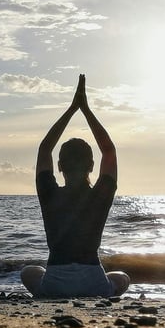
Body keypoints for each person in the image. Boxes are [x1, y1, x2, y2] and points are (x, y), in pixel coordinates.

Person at [21, 74, 130, 298]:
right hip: (94, 285)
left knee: (29, 272)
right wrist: (86, 109)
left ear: (59, 166)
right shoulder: (100, 196)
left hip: (54, 286)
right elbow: (109, 150)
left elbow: (44, 149)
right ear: (91, 166)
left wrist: (72, 109)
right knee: (122, 278)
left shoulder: (49, 193)